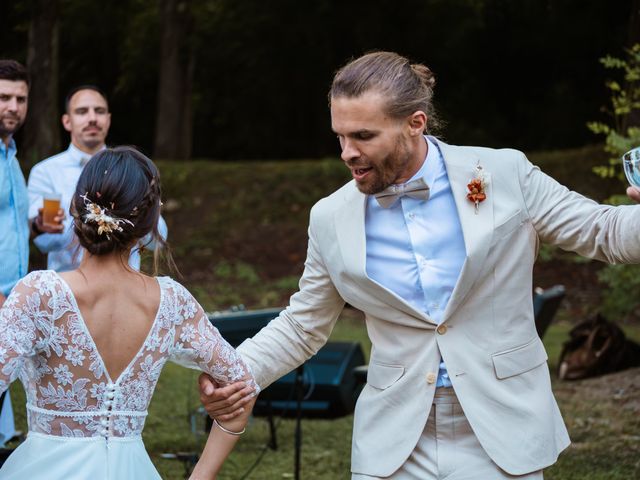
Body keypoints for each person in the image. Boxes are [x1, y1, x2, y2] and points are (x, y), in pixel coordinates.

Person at [199, 51, 640, 479]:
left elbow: (603, 231)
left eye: (364, 137)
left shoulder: (504, 173)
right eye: (340, 136)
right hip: (393, 438)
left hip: (501, 425)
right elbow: (302, 324)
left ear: (415, 124)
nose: (347, 153)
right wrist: (235, 374)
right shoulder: (331, 217)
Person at [0, 146, 257, 479]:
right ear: (150, 224)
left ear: (76, 211)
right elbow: (244, 386)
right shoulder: (172, 302)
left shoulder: (40, 294)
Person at [28, 85, 167, 272]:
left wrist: (141, 205)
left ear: (108, 120)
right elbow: (45, 243)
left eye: (99, 111)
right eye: (82, 111)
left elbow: (159, 240)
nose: (92, 118)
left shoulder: (133, 169)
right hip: (69, 289)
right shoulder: (45, 171)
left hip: (124, 286)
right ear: (67, 121)